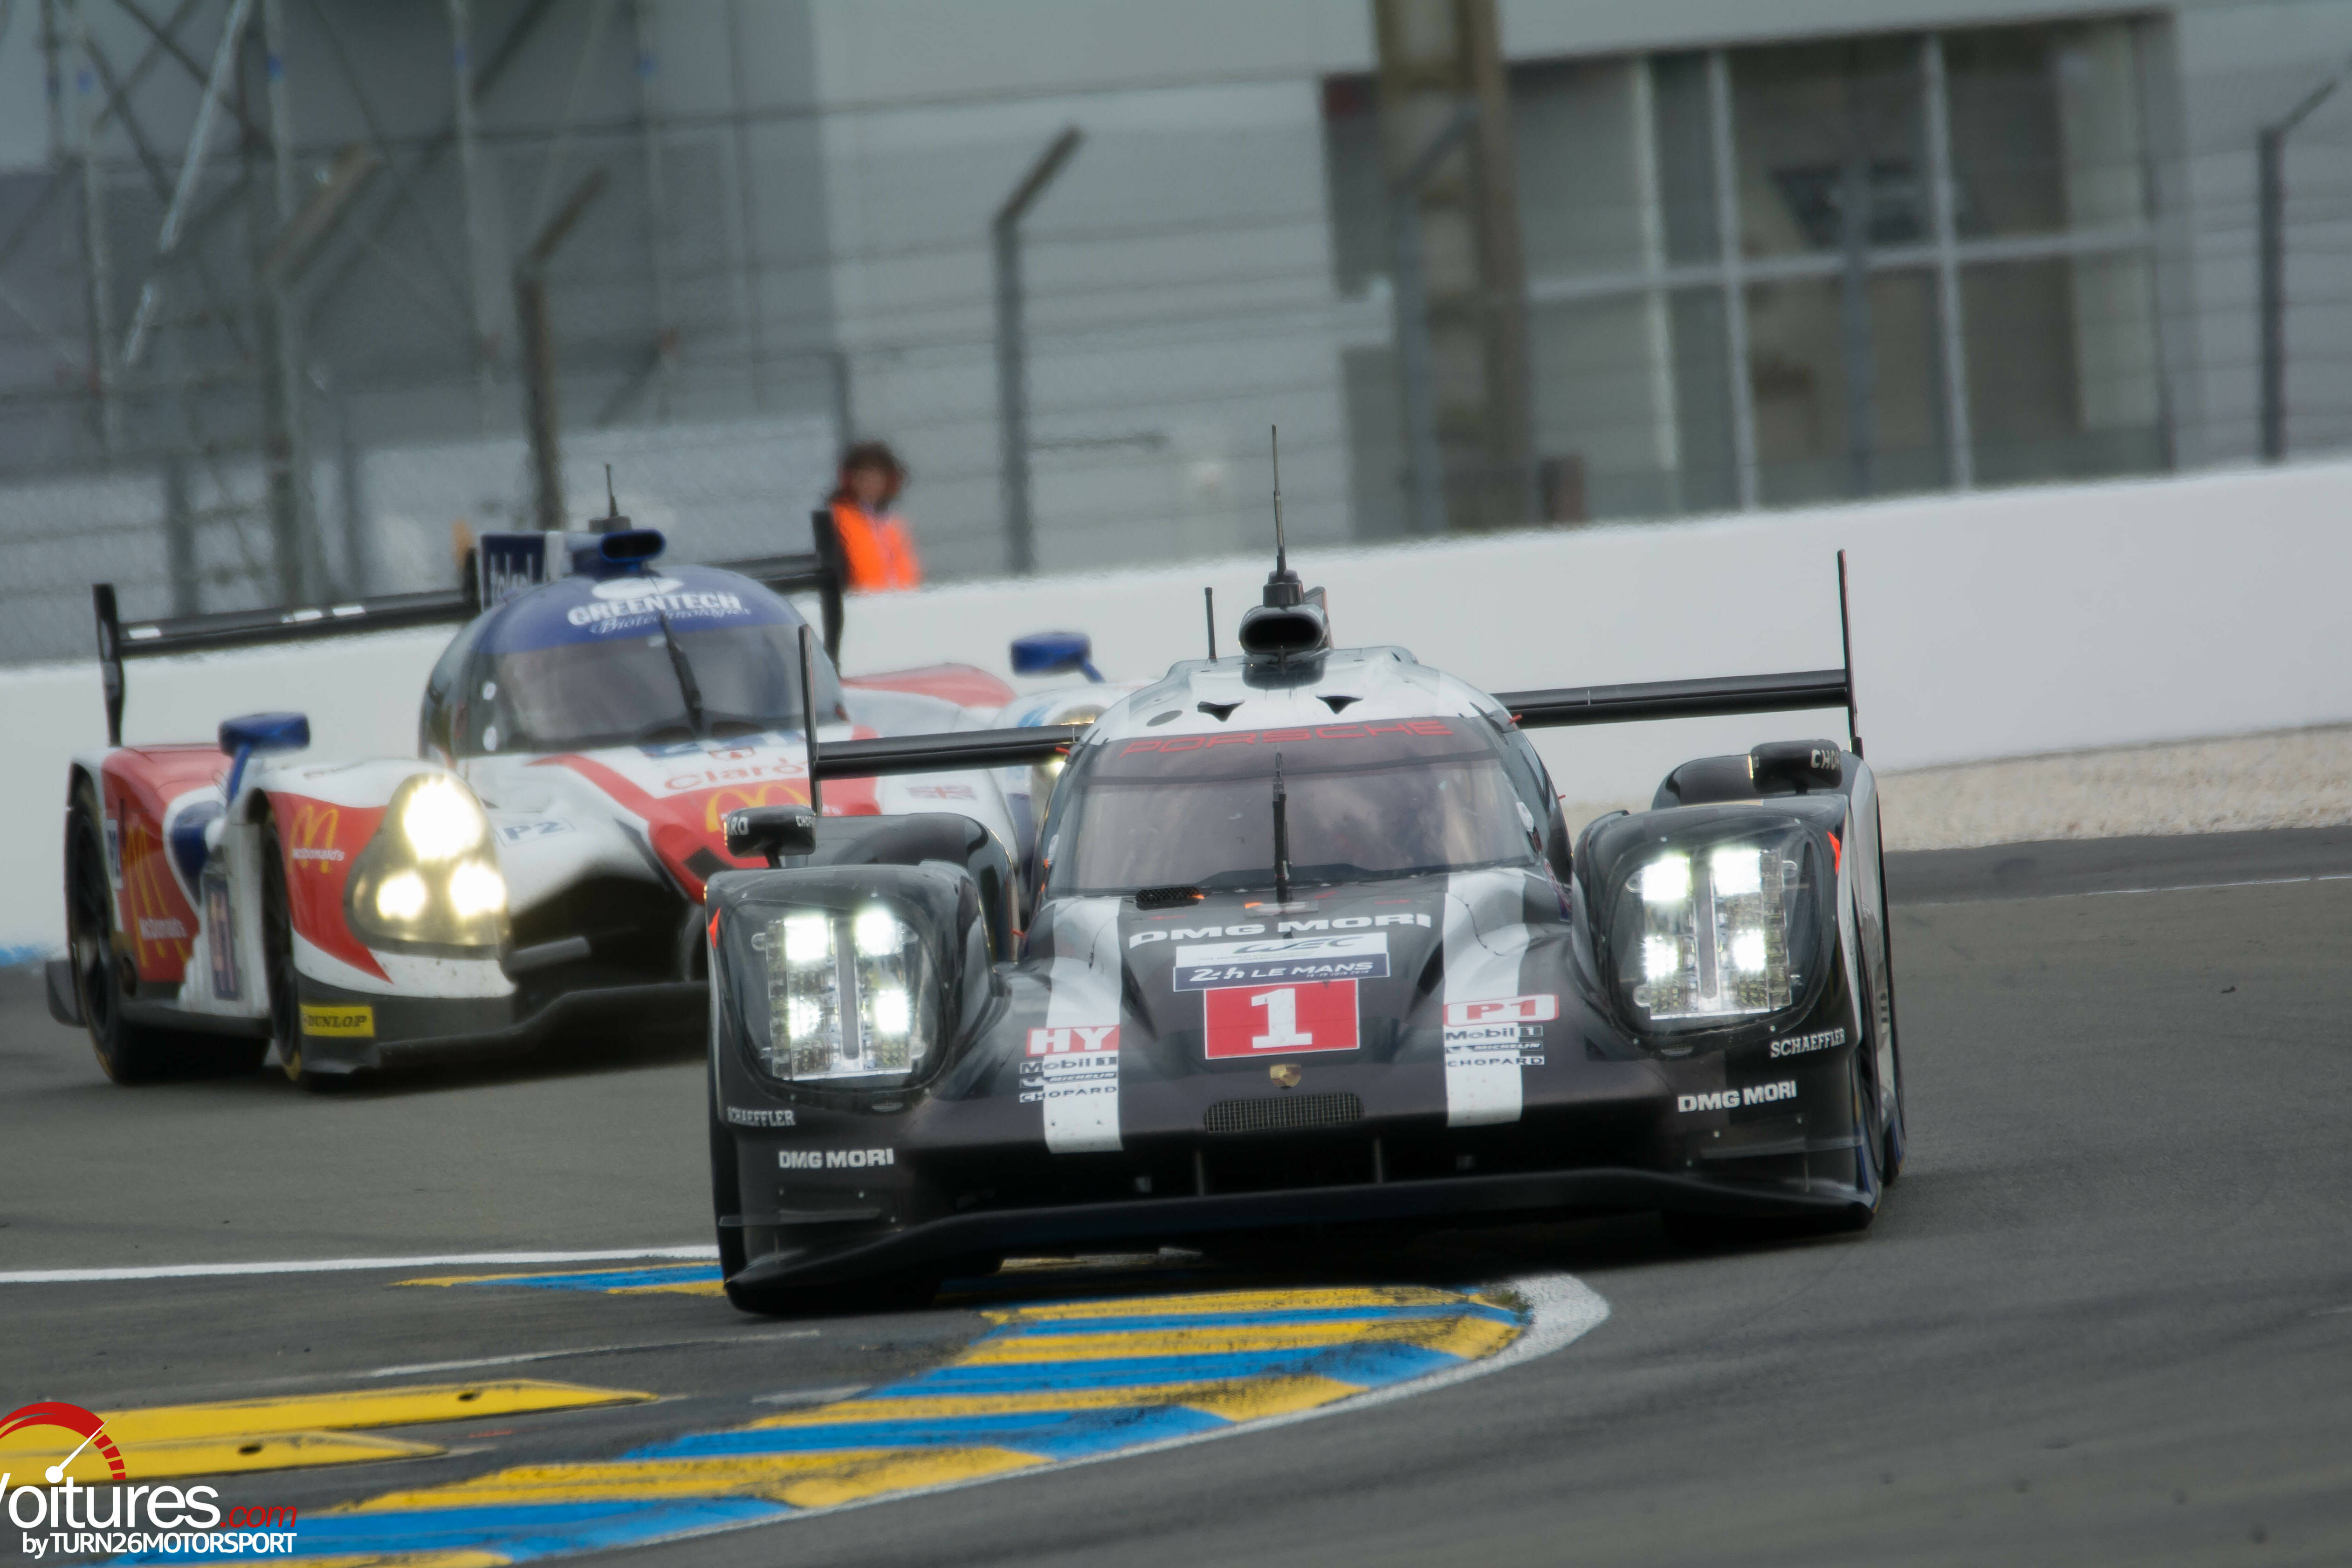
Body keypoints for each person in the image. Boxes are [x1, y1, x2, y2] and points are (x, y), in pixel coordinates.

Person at [826, 440, 922, 591]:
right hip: (861, 607)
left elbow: (909, 575)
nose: (872, 483)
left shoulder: (891, 524)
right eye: (865, 477)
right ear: (850, 480)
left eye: (878, 477)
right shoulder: (837, 521)